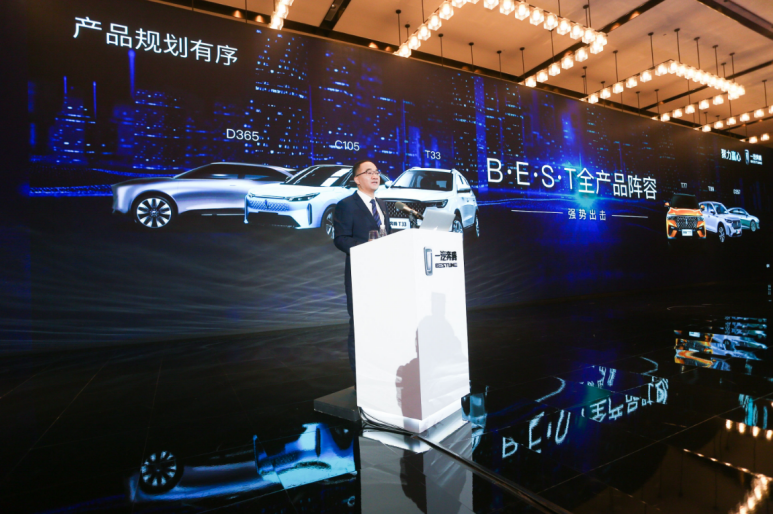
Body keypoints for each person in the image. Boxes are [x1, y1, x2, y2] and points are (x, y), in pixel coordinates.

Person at [333, 159, 392, 376]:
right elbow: (341, 239)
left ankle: (383, 369)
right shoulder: (346, 205)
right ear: (356, 179)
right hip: (361, 274)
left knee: (383, 324)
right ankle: (362, 377)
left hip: (384, 274)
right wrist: (367, 246)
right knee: (361, 326)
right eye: (368, 172)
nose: (375, 176)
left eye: (377, 171)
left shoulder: (382, 204)